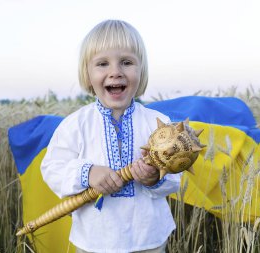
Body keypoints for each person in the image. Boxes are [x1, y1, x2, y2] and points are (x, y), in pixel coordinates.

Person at [41, 19, 181, 253]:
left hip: (149, 240)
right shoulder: (75, 124)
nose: (115, 72)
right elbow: (52, 168)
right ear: (87, 74)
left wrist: (155, 178)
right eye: (102, 64)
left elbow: (175, 178)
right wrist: (87, 173)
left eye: (126, 62)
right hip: (94, 242)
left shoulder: (159, 124)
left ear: (141, 70)